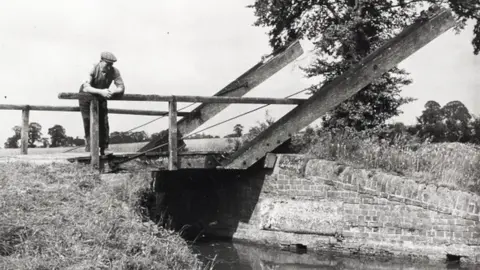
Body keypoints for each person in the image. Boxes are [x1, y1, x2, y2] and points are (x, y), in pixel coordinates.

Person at [79, 51, 125, 155]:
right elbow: (86, 88)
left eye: (111, 65)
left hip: (102, 93)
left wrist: (113, 91)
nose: (109, 67)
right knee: (88, 120)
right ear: (101, 61)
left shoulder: (114, 71)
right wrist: (101, 92)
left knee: (104, 120)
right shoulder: (92, 68)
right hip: (87, 95)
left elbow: (121, 87)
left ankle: (104, 147)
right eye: (107, 64)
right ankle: (91, 147)